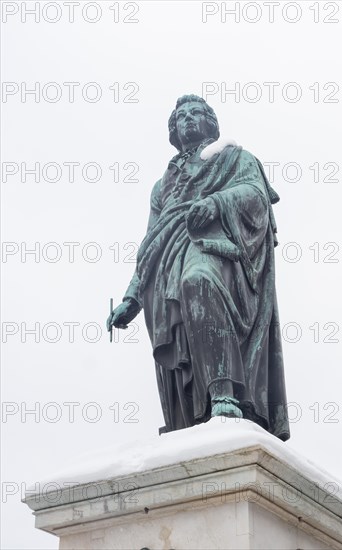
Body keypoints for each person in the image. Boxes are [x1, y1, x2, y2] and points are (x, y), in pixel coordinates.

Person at [107, 94, 290, 441]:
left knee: (198, 281)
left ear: (211, 122)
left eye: (196, 113)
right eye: (181, 117)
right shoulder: (162, 186)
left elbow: (255, 195)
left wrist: (217, 202)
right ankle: (197, 409)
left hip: (220, 249)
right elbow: (150, 242)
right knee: (185, 298)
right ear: (174, 131)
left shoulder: (235, 158)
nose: (188, 119)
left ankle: (224, 392)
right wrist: (132, 297)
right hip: (166, 263)